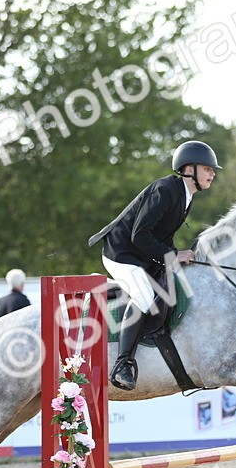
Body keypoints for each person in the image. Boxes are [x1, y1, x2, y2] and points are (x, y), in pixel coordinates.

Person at [87, 140, 219, 390]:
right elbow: (140, 235)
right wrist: (173, 254)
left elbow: (162, 234)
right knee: (145, 295)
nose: (212, 173)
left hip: (143, 254)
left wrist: (177, 259)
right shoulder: (166, 190)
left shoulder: (186, 195)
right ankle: (123, 364)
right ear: (189, 168)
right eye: (207, 168)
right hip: (121, 253)